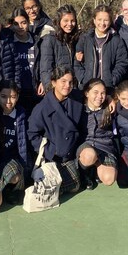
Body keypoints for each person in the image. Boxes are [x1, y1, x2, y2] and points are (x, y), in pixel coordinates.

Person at [27, 66, 86, 195]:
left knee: (75, 185)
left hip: (71, 154)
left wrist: (110, 99)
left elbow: (93, 93)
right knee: (58, 186)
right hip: (53, 157)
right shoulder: (42, 108)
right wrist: (50, 151)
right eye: (63, 81)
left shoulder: (76, 99)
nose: (67, 85)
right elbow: (32, 134)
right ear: (53, 82)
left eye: (70, 82)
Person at [0, 80, 31, 214]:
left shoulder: (22, 115)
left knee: (14, 173)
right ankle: (2, 190)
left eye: (13, 97)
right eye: (4, 96)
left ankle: (12, 189)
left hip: (13, 161)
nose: (8, 101)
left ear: (18, 97)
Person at [75, 4, 128, 90]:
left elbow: (122, 63)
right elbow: (77, 62)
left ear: (110, 21)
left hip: (108, 87)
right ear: (94, 20)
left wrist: (112, 79)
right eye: (99, 19)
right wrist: (83, 78)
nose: (102, 23)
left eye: (106, 20)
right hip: (87, 87)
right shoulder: (85, 38)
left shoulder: (116, 40)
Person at [77, 78, 118, 189]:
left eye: (103, 93)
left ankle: (95, 168)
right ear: (86, 93)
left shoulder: (109, 108)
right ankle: (84, 174)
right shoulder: (79, 108)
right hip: (86, 145)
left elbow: (122, 96)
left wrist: (110, 98)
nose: (99, 96)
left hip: (105, 146)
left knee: (109, 179)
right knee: (89, 155)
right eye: (95, 92)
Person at [40, 4, 80, 92]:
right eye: (66, 20)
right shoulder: (50, 39)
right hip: (57, 90)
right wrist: (51, 90)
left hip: (73, 88)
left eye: (72, 21)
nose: (69, 24)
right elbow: (46, 69)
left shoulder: (76, 38)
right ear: (59, 21)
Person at [9, 8, 40, 112]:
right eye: (16, 24)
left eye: (23, 23)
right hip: (17, 90)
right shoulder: (9, 43)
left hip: (35, 89)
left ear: (28, 22)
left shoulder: (37, 41)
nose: (20, 27)